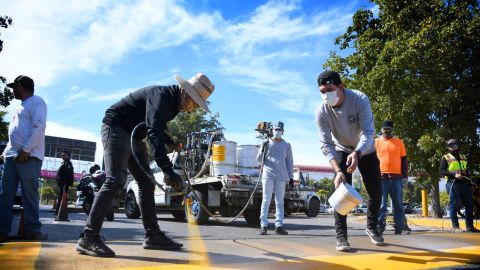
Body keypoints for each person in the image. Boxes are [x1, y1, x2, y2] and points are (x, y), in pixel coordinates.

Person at [76, 73, 215, 257]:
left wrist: (169, 140)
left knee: (146, 183)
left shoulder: (172, 104)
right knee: (116, 179)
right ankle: (88, 237)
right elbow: (154, 132)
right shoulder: (162, 96)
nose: (193, 108)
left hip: (135, 135)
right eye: (194, 103)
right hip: (116, 127)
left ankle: (153, 235)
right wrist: (167, 169)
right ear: (186, 93)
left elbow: (156, 125)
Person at [315, 70, 383, 251]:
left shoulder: (359, 99)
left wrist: (359, 153)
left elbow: (369, 132)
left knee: (376, 191)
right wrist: (338, 171)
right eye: (322, 91)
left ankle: (372, 226)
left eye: (329, 90)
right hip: (342, 149)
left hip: (365, 149)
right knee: (341, 191)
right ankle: (341, 237)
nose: (325, 95)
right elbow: (325, 144)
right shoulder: (321, 111)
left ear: (341, 87)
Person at [0, 75, 48, 242]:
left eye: (15, 87)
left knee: (29, 195)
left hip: (29, 156)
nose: (13, 90)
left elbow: (39, 126)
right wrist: (6, 152)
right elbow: (16, 134)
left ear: (21, 86)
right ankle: (2, 231)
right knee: (6, 195)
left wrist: (26, 149)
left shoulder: (36, 101)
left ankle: (34, 231)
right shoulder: (21, 107)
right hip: (12, 155)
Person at [257, 121, 294, 235]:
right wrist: (262, 148)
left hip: (281, 177)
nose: (277, 132)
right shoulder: (266, 142)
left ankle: (279, 226)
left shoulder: (287, 145)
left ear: (283, 131)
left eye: (279, 130)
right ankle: (263, 225)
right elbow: (259, 159)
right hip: (268, 175)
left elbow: (290, 162)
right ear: (272, 130)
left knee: (279, 202)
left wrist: (291, 177)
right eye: (275, 130)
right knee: (266, 200)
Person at [375, 120, 409, 235]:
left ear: (392, 130)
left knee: (398, 204)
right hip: (381, 178)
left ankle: (399, 227)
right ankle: (379, 228)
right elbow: (371, 161)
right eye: (385, 129)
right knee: (382, 205)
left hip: (397, 178)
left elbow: (404, 161)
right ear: (381, 129)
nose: (387, 132)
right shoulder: (376, 142)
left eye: (389, 130)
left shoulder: (399, 142)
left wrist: (405, 177)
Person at [439, 139, 479, 233]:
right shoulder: (445, 157)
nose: (453, 147)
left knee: (469, 205)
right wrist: (454, 175)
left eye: (454, 145)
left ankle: (470, 227)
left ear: (457, 145)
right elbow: (442, 171)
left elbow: (467, 172)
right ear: (448, 147)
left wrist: (470, 183)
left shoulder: (463, 157)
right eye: (450, 145)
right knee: (454, 204)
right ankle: (455, 227)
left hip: (465, 184)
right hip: (452, 183)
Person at [55, 151, 74, 216]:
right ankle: (59, 211)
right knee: (60, 197)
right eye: (62, 155)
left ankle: (60, 212)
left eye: (64, 155)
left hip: (64, 184)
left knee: (62, 197)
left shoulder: (68, 163)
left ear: (69, 156)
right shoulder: (64, 162)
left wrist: (70, 183)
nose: (62, 156)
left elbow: (70, 174)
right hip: (61, 183)